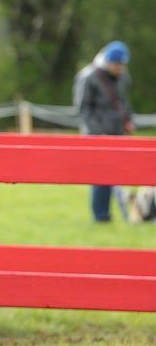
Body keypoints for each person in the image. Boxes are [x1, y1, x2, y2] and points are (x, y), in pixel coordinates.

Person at [73, 40, 133, 222]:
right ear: (109, 61)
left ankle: (118, 213)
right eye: (117, 64)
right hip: (96, 135)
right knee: (100, 176)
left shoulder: (123, 75)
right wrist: (99, 134)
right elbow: (83, 109)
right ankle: (101, 217)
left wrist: (128, 120)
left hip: (117, 133)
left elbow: (124, 101)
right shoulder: (88, 76)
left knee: (115, 174)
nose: (120, 68)